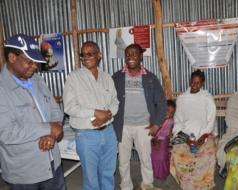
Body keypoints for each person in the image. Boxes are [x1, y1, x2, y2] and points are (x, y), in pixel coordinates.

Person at [0, 34, 65, 190]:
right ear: (12, 57)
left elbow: (56, 111)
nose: (35, 66)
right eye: (30, 61)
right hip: (25, 173)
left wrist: (51, 134)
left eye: (36, 62)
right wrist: (47, 128)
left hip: (53, 164)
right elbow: (6, 132)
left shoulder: (37, 80)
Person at [63, 41, 119, 190]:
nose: (86, 57)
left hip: (108, 133)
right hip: (86, 135)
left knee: (108, 172)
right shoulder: (73, 78)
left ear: (99, 55)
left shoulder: (107, 78)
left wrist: (107, 115)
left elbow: (115, 102)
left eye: (90, 53)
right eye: (83, 54)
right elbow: (69, 107)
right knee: (91, 177)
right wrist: (95, 113)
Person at [112, 43, 167, 190]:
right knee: (123, 160)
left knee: (145, 159)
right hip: (122, 126)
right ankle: (125, 186)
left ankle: (147, 185)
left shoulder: (150, 78)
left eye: (134, 54)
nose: (130, 57)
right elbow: (108, 100)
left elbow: (161, 102)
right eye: (128, 54)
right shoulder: (116, 78)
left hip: (144, 126)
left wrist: (157, 124)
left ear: (141, 56)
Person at [170, 70, 217, 190]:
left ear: (203, 83)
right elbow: (178, 121)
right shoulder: (182, 98)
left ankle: (203, 185)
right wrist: (186, 138)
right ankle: (188, 185)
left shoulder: (207, 98)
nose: (194, 85)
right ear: (190, 81)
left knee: (209, 153)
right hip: (185, 135)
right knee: (177, 153)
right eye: (192, 82)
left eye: (198, 83)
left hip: (204, 135)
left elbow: (210, 122)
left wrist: (202, 138)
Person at [151, 99, 176, 180]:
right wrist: (154, 140)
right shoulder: (157, 118)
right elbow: (153, 130)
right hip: (155, 138)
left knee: (162, 157)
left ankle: (162, 173)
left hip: (164, 139)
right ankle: (154, 172)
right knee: (154, 156)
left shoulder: (171, 121)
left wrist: (169, 133)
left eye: (172, 112)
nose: (169, 113)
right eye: (168, 110)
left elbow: (167, 131)